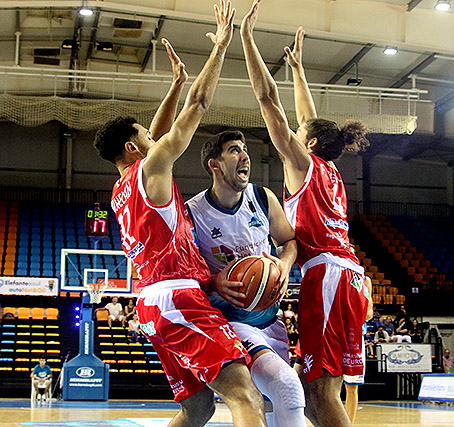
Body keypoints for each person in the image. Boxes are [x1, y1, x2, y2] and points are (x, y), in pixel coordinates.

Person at [94, 2, 266, 424]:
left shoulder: (126, 183)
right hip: (177, 297)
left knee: (198, 407)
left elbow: (157, 133)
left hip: (155, 303)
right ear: (135, 147)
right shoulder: (150, 168)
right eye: (144, 135)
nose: (154, 136)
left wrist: (176, 82)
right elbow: (198, 106)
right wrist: (221, 47)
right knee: (245, 395)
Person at [241, 6, 370, 426]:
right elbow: (305, 119)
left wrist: (247, 40)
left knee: (321, 390)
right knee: (307, 384)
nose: (292, 136)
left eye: (301, 135)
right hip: (346, 273)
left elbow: (268, 103)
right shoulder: (327, 168)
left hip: (328, 274)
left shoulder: (303, 162)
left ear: (308, 143)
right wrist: (297, 70)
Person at [186, 129, 304, 427]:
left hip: (272, 320)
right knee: (287, 387)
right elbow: (184, 272)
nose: (245, 156)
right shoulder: (192, 213)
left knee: (283, 397)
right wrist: (213, 282)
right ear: (215, 163)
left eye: (245, 150)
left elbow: (289, 241)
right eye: (235, 150)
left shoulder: (262, 197)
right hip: (231, 322)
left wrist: (284, 265)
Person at [344, 276, 374, 424]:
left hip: (355, 336)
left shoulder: (365, 280)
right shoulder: (336, 272)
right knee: (330, 385)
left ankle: (349, 423)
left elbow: (369, 314)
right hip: (335, 332)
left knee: (352, 386)